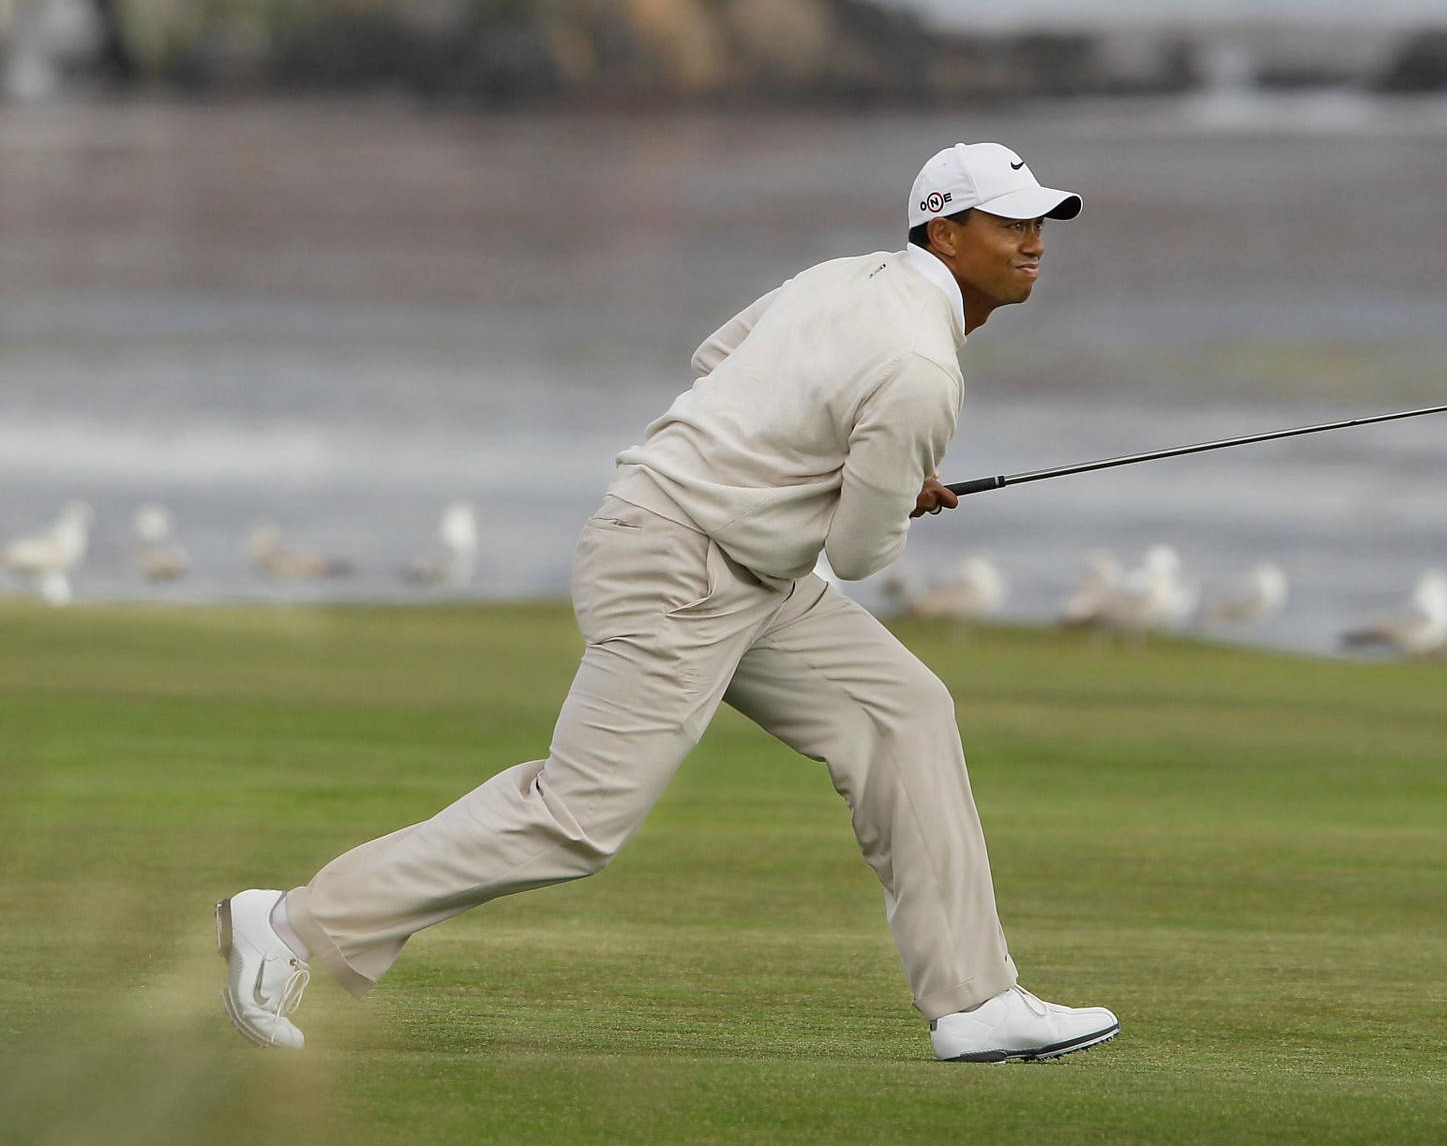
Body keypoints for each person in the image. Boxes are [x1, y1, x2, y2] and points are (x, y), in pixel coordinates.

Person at [217, 141, 1120, 1064]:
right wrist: (881, 488)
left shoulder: (844, 277)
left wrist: (858, 470)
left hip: (743, 567)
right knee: (577, 818)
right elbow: (858, 550)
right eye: (1011, 222)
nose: (1034, 241)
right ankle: (289, 923)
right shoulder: (923, 366)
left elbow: (720, 356)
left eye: (1039, 222)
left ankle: (974, 1000)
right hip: (677, 566)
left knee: (905, 712)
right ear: (945, 229)